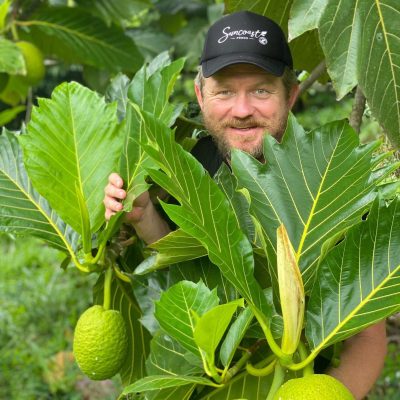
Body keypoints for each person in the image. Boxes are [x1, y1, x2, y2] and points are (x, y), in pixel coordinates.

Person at [103, 10, 387, 399]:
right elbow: (193, 277)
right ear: (201, 97)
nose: (241, 110)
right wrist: (144, 215)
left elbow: (368, 336)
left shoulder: (329, 178)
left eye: (261, 91)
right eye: (224, 91)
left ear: (291, 96)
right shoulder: (192, 167)